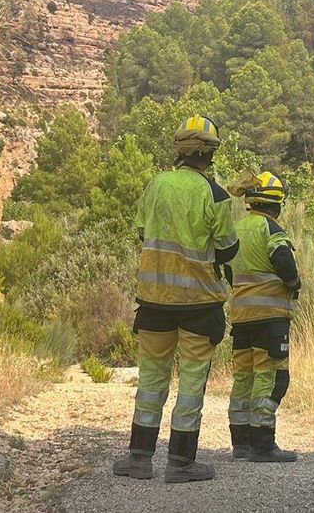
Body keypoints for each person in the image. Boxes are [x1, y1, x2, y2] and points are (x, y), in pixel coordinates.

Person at [111, 115, 240, 484]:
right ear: (211, 155)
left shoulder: (155, 185)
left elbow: (141, 231)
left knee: (152, 378)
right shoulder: (215, 194)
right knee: (192, 381)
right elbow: (228, 250)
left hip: (153, 303)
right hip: (200, 305)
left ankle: (139, 458)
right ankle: (181, 462)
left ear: (179, 151)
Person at [225, 171, 300, 463]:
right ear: (276, 204)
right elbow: (284, 261)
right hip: (270, 318)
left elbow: (229, 270)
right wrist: (294, 285)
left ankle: (241, 443)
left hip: (242, 317)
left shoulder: (237, 229)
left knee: (243, 376)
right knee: (273, 378)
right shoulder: (271, 229)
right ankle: (264, 444)